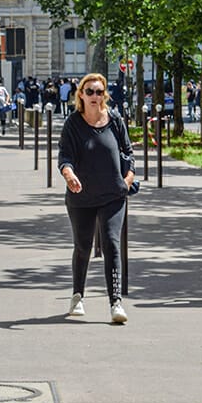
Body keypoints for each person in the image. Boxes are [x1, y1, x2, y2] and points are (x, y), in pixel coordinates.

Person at [58, 73, 135, 324]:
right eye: (90, 91)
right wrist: (69, 175)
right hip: (81, 196)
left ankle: (116, 303)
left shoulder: (114, 120)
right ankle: (78, 295)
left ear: (105, 95)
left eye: (99, 92)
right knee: (83, 246)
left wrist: (128, 179)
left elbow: (128, 153)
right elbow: (64, 157)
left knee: (112, 244)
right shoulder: (73, 124)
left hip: (113, 194)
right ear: (81, 94)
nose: (95, 96)